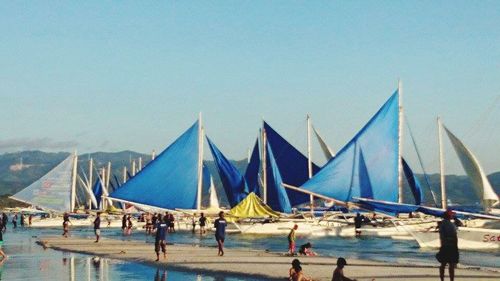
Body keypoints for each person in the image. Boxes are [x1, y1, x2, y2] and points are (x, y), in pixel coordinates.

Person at [436, 209, 459, 281]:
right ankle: (449, 279)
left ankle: (443, 279)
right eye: (452, 215)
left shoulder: (445, 223)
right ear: (449, 216)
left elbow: (459, 224)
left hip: (447, 245)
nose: (453, 216)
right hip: (449, 245)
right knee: (449, 264)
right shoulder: (447, 224)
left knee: (444, 264)